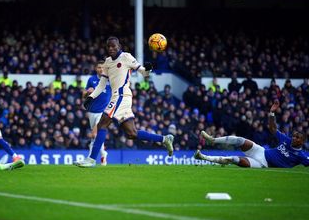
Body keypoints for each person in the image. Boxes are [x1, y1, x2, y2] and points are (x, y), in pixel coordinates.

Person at [75, 36, 174, 167]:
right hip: (118, 97)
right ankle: (164, 139)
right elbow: (101, 85)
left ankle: (91, 159)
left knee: (102, 124)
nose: (111, 48)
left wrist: (148, 69)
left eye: (113, 46)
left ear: (119, 46)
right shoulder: (107, 63)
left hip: (122, 95)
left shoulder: (126, 57)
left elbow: (143, 73)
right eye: (109, 46)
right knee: (131, 133)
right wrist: (91, 97)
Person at [194, 100, 309, 168]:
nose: (294, 138)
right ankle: (212, 140)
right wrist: (272, 113)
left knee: (233, 159)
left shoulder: (301, 156)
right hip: (261, 151)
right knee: (239, 140)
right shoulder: (287, 140)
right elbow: (273, 128)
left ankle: (203, 157)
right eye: (294, 135)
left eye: (297, 137)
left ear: (302, 141)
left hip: (263, 164)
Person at [77, 60, 111, 166]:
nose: (101, 69)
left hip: (103, 112)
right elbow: (83, 95)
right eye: (99, 67)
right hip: (92, 112)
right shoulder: (91, 79)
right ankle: (103, 154)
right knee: (96, 137)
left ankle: (90, 160)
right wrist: (87, 92)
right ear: (96, 68)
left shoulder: (110, 79)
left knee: (94, 135)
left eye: (102, 67)